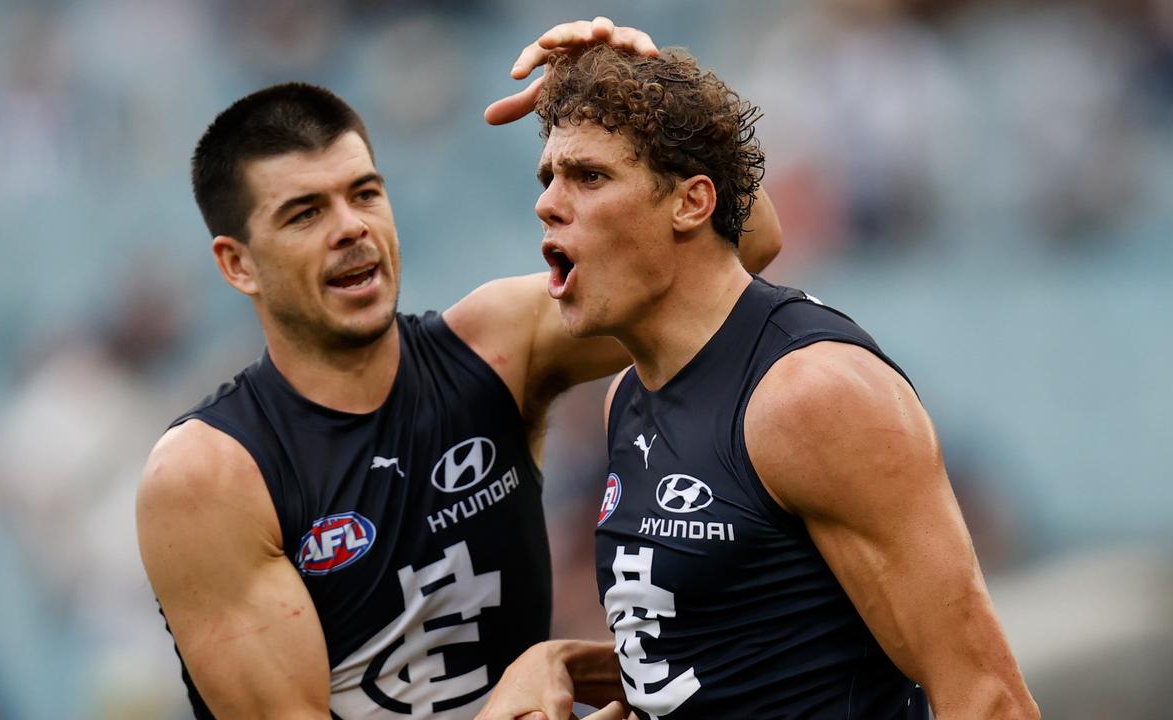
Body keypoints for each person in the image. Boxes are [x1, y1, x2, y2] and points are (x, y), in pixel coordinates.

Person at [135, 19, 782, 720]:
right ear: (237, 264)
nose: (351, 227)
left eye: (365, 193)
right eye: (304, 213)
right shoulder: (211, 474)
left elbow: (743, 247)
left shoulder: (493, 347)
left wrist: (652, 99)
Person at [478, 45, 1039, 720]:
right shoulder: (627, 400)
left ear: (691, 203)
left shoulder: (809, 395)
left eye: (588, 176)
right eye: (548, 178)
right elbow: (723, 664)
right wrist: (560, 663)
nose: (547, 204)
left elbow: (988, 699)